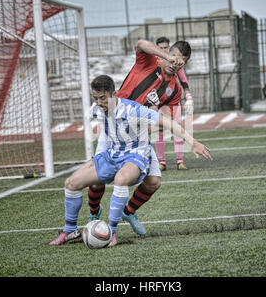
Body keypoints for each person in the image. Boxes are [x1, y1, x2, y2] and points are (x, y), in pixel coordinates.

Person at [49, 75, 212, 247]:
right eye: (96, 98)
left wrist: (193, 142)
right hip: (112, 154)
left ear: (114, 94)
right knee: (71, 183)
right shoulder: (95, 110)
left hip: (136, 154)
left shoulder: (133, 109)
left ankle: (112, 231)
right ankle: (70, 231)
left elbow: (169, 123)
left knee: (124, 179)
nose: (99, 102)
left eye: (103, 98)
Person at [87, 38, 194, 237]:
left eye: (181, 62)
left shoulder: (175, 90)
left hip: (137, 138)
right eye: (174, 58)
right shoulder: (148, 63)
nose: (175, 63)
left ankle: (129, 212)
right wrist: (167, 57)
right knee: (97, 179)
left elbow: (165, 121)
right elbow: (141, 43)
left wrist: (149, 126)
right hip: (112, 129)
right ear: (167, 54)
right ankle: (94, 215)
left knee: (154, 182)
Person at [154, 36, 193, 171]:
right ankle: (161, 162)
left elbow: (184, 82)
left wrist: (188, 97)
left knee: (176, 130)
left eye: (166, 47)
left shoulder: (177, 65)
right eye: (161, 48)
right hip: (158, 104)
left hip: (173, 104)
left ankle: (180, 161)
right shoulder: (154, 66)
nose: (164, 50)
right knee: (158, 132)